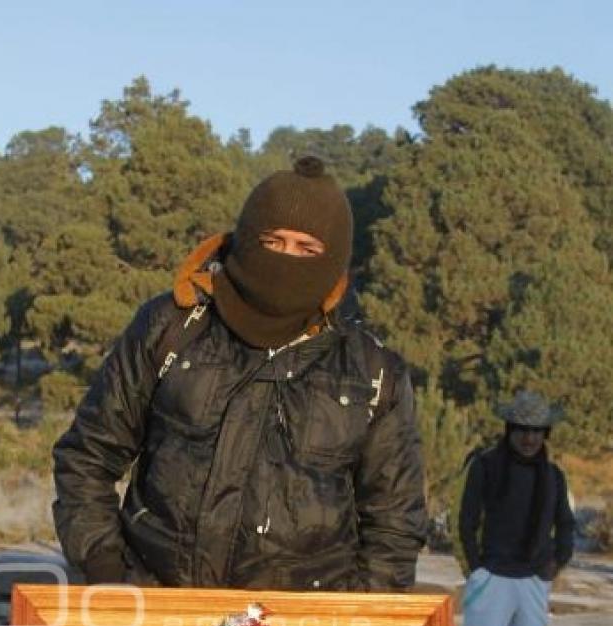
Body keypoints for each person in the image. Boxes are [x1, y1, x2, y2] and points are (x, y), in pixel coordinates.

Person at [52, 157, 426, 592]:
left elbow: (394, 524)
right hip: (157, 612)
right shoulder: (171, 327)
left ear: (334, 259)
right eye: (273, 240)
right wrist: (108, 573)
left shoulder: (373, 373)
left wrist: (350, 624)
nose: (287, 259)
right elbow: (87, 457)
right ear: (247, 239)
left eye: (307, 249)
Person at [457, 390, 575, 626]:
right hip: (491, 577)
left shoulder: (554, 475)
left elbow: (565, 523)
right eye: (522, 429)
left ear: (546, 434)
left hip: (533, 579)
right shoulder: (484, 466)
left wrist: (558, 561)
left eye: (537, 430)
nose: (529, 438)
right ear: (509, 429)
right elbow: (464, 519)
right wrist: (475, 569)